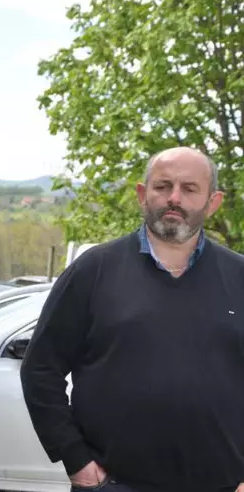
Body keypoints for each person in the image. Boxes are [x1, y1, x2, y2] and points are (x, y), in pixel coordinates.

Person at [19, 146, 244, 492]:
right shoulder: (93, 270)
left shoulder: (239, 276)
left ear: (213, 202)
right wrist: (74, 458)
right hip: (113, 484)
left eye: (189, 189)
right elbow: (40, 370)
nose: (174, 198)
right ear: (143, 194)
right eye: (162, 186)